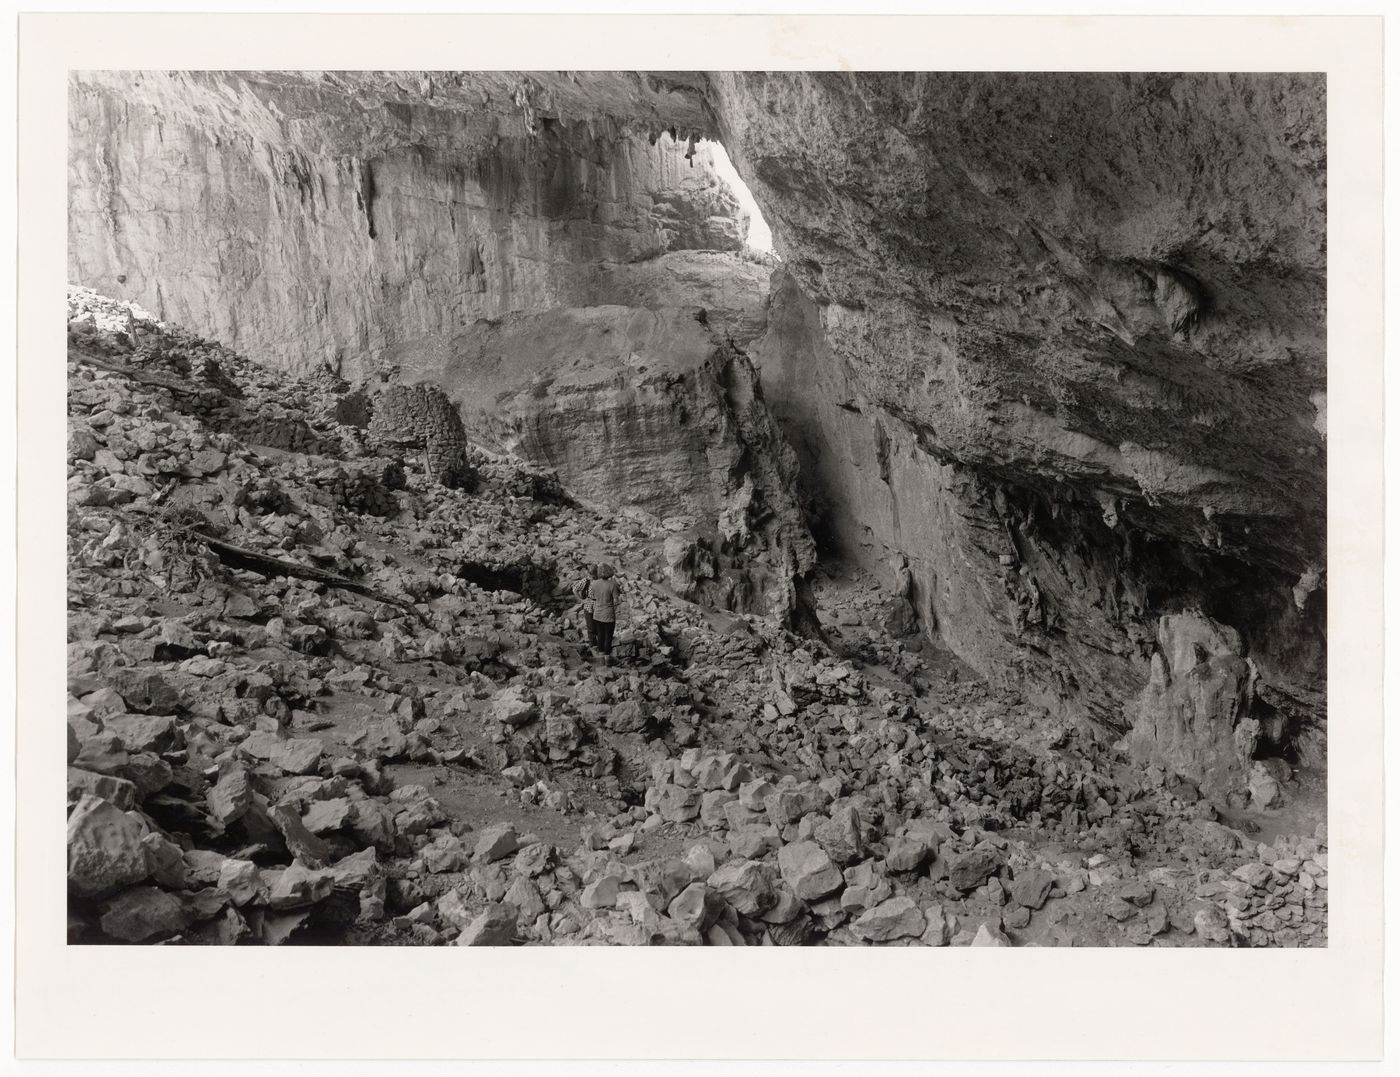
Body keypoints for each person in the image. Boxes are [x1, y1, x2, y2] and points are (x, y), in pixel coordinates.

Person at [588, 563, 621, 659]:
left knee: (600, 634)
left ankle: (601, 656)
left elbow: (593, 597)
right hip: (608, 614)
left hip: (597, 613)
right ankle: (607, 658)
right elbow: (616, 600)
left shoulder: (594, 583)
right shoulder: (613, 584)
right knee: (608, 636)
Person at [573, 564, 597, 648]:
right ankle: (593, 645)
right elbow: (575, 589)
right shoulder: (586, 581)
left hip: (599, 605)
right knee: (591, 627)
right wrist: (581, 600)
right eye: (591, 574)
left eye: (593, 574)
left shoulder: (600, 580)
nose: (592, 576)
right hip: (589, 605)